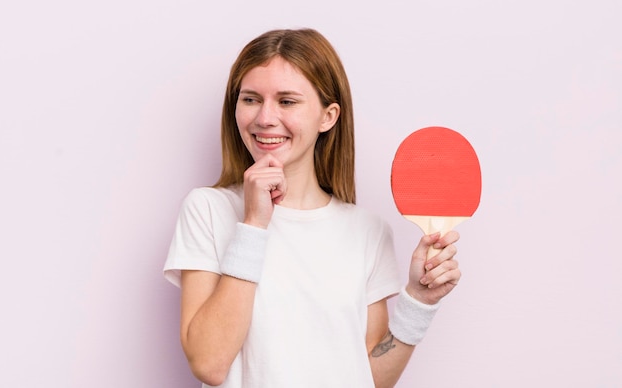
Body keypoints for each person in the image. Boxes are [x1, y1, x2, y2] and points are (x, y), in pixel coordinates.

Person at [163, 28, 461, 388]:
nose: (264, 118)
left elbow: (370, 379)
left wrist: (419, 301)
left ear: (328, 116)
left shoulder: (367, 230)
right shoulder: (208, 210)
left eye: (287, 101)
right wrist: (254, 224)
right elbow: (209, 364)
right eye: (251, 99)